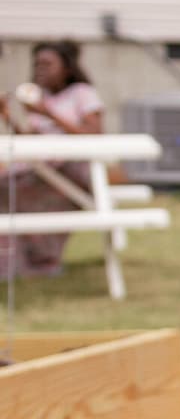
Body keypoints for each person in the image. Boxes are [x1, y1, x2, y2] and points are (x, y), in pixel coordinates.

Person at [1, 41, 106, 278]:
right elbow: (29, 143)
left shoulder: (82, 93)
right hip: (40, 170)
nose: (40, 70)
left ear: (67, 68)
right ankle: (16, 263)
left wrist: (47, 113)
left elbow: (95, 135)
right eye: (37, 64)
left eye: (47, 64)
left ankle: (42, 261)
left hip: (70, 173)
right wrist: (6, 116)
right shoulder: (39, 98)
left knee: (11, 192)